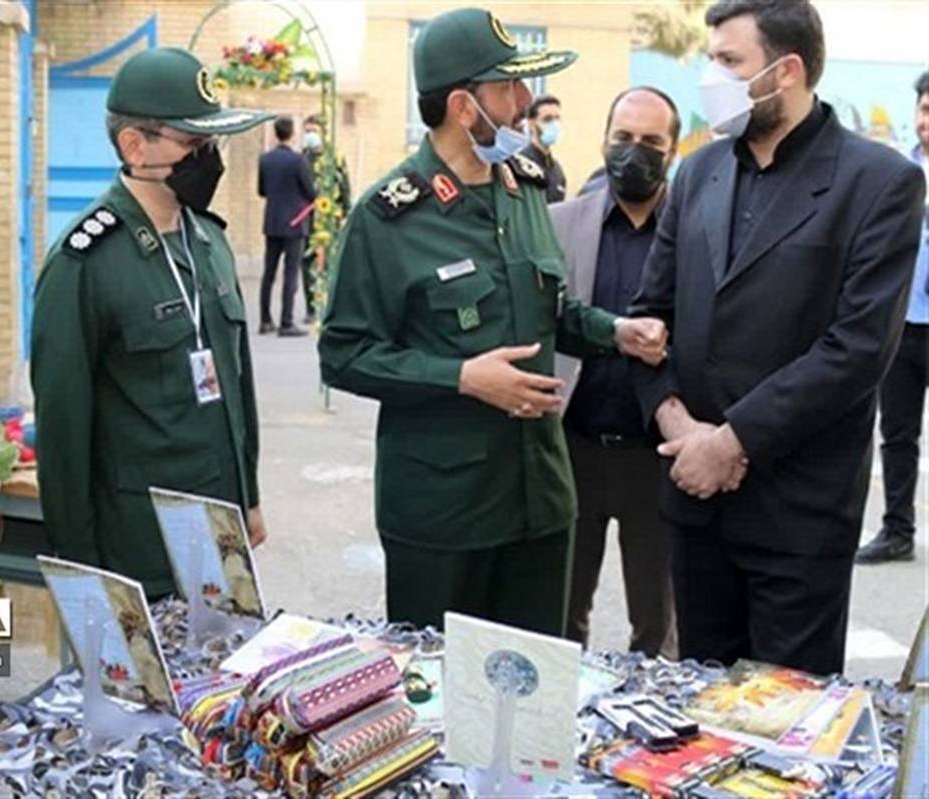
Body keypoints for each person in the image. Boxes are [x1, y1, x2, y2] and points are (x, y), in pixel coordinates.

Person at [318, 7, 668, 634]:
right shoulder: (389, 218)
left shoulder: (524, 189)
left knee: (532, 678)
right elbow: (344, 354)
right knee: (441, 682)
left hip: (540, 501)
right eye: (509, 86)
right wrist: (462, 378)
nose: (525, 101)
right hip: (444, 514)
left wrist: (615, 332)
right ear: (462, 106)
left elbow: (548, 311)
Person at [630, 0, 925, 675]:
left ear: (786, 70)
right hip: (695, 499)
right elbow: (648, 319)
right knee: (699, 703)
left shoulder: (878, 182)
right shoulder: (697, 172)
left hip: (798, 515)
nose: (711, 77)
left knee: (788, 720)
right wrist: (680, 427)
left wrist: (731, 442)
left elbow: (857, 349)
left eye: (729, 61)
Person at [31, 47, 271, 602]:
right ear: (134, 146)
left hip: (222, 533)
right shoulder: (85, 262)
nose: (208, 160)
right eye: (192, 144)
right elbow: (64, 431)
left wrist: (249, 496)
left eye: (212, 143)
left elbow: (238, 389)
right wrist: (82, 569)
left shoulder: (208, 240)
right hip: (139, 544)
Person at [551, 86, 682, 658]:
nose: (634, 151)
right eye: (623, 137)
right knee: (560, 618)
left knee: (658, 627)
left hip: (654, 457)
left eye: (651, 141)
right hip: (570, 448)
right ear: (604, 140)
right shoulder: (560, 223)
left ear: (672, 150)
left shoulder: (694, 230)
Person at [855, 70, 929, 564]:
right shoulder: (899, 172)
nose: (927, 121)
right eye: (924, 109)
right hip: (901, 324)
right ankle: (897, 530)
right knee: (897, 432)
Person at [257, 115, 317, 336]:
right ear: (292, 134)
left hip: (272, 221)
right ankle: (286, 322)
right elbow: (310, 192)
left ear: (276, 133)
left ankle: (265, 320)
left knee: (269, 273)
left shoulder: (265, 159)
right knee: (291, 274)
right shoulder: (298, 161)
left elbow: (262, 191)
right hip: (295, 222)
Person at [300, 114, 352, 324]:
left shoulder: (334, 157)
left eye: (313, 131)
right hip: (309, 216)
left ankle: (332, 305)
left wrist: (345, 210)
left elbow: (344, 185)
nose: (309, 136)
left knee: (333, 260)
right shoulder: (303, 158)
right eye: (307, 132)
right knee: (308, 260)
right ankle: (311, 307)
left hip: (331, 215)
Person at [522, 94, 567, 203]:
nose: (554, 125)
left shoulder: (557, 170)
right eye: (547, 119)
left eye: (557, 118)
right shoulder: (520, 165)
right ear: (531, 124)